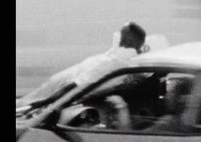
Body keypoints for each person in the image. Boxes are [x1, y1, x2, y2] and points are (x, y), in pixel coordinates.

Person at [16, 22, 146, 110]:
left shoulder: (114, 62)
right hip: (55, 87)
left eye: (121, 34)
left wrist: (46, 102)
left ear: (129, 40)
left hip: (52, 90)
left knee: (22, 105)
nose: (118, 36)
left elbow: (76, 85)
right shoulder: (125, 59)